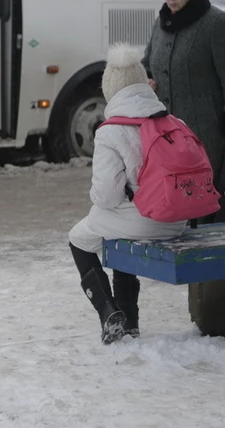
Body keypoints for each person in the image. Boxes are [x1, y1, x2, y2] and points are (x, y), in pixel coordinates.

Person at [142, 0, 225, 336]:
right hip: (169, 138)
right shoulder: (161, 23)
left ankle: (222, 304)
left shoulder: (217, 24)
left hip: (208, 136)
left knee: (212, 212)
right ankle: (205, 300)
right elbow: (148, 65)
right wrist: (148, 82)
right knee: (182, 210)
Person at [68, 43, 186, 344]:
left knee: (80, 238)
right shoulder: (172, 121)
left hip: (143, 221)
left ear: (111, 89)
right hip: (177, 219)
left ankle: (109, 313)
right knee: (117, 229)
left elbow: (107, 196)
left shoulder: (111, 131)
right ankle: (129, 321)